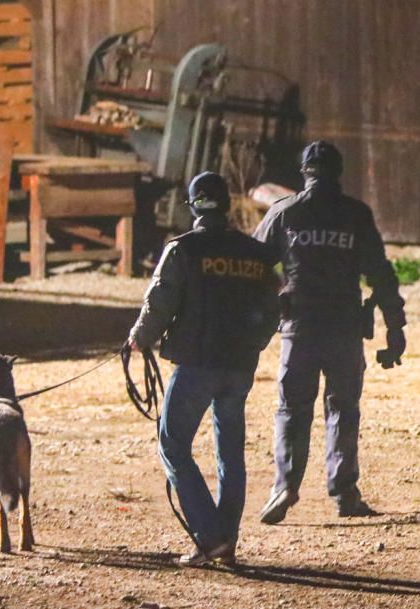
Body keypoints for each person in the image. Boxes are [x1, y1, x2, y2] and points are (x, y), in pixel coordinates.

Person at [127, 172, 280, 566]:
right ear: (226, 205)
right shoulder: (253, 253)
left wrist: (139, 339)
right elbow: (274, 309)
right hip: (239, 366)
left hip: (196, 364)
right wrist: (253, 344)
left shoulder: (183, 250)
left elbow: (160, 302)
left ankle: (209, 536)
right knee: (230, 452)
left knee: (173, 444)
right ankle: (226, 540)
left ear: (193, 206)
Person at [254, 141, 407, 524]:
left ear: (303, 172)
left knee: (292, 408)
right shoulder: (355, 214)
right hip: (344, 327)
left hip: (299, 327)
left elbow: (252, 262)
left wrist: (275, 294)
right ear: (338, 172)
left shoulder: (284, 213)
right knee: (343, 408)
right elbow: (381, 275)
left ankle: (285, 485)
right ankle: (344, 492)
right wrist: (395, 326)